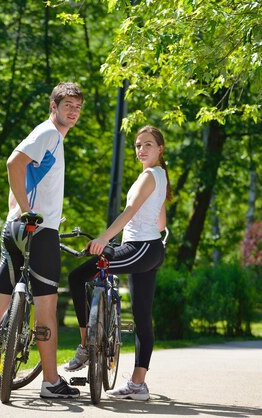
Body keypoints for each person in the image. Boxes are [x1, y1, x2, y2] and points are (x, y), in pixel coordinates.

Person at [0, 82, 84, 398]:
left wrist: (18, 209)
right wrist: (28, 210)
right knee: (47, 305)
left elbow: (21, 174)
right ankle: (51, 382)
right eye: (67, 106)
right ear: (54, 107)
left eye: (77, 108)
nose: (73, 112)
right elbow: (13, 162)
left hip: (15, 229)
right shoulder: (48, 133)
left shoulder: (51, 139)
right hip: (39, 230)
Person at [65, 125, 172, 401]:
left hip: (140, 248)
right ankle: (138, 385)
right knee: (141, 316)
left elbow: (130, 211)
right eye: (138, 145)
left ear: (160, 149)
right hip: (148, 249)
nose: (141, 150)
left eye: (148, 144)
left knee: (77, 277)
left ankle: (85, 346)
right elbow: (161, 222)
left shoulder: (149, 176)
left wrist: (102, 239)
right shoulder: (159, 176)